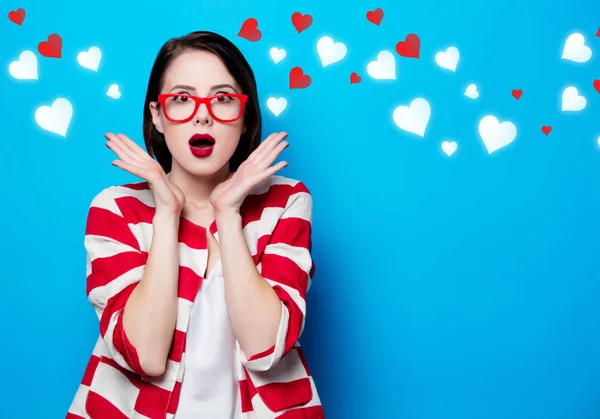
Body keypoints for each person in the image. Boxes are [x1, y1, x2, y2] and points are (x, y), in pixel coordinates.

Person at [66, 30, 324, 419]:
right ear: (157, 115)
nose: (203, 114)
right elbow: (146, 357)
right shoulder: (116, 208)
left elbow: (265, 348)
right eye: (182, 99)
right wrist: (167, 214)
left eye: (222, 99)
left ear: (244, 116)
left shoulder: (286, 202)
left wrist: (227, 213)